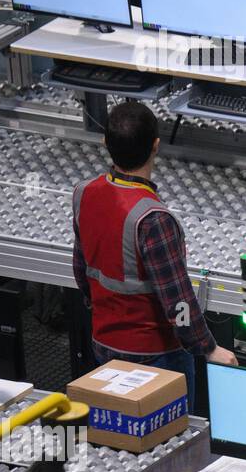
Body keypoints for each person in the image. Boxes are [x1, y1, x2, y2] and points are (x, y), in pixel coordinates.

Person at [72, 101, 236, 408]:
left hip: (103, 345)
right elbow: (178, 301)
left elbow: (82, 271)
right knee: (168, 440)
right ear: (155, 147)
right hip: (155, 358)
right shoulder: (152, 219)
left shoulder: (83, 192)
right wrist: (209, 349)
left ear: (106, 144)